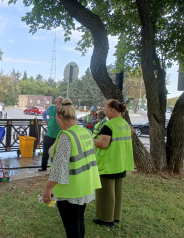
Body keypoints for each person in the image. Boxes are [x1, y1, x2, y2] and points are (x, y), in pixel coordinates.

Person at [42, 98, 101, 237]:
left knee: (72, 229)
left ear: (61, 117)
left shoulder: (66, 136)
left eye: (56, 118)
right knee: (79, 223)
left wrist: (48, 188)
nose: (56, 121)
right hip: (85, 186)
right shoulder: (85, 132)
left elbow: (59, 168)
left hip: (70, 191)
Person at [93, 99, 134, 227]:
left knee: (106, 193)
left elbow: (103, 144)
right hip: (121, 163)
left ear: (111, 110)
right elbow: (129, 134)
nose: (104, 111)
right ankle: (115, 217)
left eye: (105, 109)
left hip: (109, 164)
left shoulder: (108, 126)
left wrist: (92, 140)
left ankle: (105, 219)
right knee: (117, 193)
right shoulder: (126, 124)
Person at [39, 96, 63, 171]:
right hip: (49, 134)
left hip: (59, 135)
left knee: (58, 153)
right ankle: (43, 167)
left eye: (62, 102)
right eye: (60, 102)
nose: (62, 104)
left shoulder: (63, 110)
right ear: (56, 102)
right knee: (45, 152)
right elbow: (43, 114)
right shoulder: (51, 108)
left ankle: (56, 168)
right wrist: (46, 121)